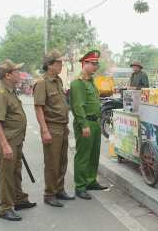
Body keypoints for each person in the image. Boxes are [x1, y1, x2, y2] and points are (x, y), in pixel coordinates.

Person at [0, 59, 36, 221]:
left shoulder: (10, 90)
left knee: (15, 172)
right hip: (7, 141)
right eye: (16, 71)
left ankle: (19, 199)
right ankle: (5, 208)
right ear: (8, 75)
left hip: (15, 139)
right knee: (7, 174)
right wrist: (5, 145)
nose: (19, 74)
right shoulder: (0, 93)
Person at [33, 49, 75, 208]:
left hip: (61, 127)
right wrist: (44, 131)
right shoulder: (42, 83)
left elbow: (60, 104)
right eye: (58, 63)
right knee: (52, 162)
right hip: (51, 127)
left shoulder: (57, 80)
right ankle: (49, 194)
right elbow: (38, 109)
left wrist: (65, 125)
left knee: (62, 160)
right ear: (49, 65)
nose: (61, 65)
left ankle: (59, 190)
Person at [70, 50, 108, 200]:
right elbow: (78, 106)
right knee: (83, 156)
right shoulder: (78, 82)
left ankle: (90, 181)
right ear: (84, 64)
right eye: (93, 64)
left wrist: (97, 121)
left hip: (94, 122)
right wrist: (84, 125)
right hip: (85, 123)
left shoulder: (90, 81)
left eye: (97, 64)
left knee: (94, 155)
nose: (95, 67)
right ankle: (80, 186)